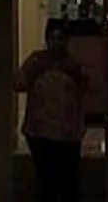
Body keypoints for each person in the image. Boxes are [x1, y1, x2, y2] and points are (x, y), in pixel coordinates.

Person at [16, 18, 87, 202]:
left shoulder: (73, 65)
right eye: (52, 38)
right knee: (47, 183)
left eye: (60, 38)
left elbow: (85, 91)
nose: (56, 43)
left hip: (68, 133)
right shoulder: (37, 60)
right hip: (40, 132)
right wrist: (36, 70)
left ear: (67, 40)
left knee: (69, 184)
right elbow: (19, 83)